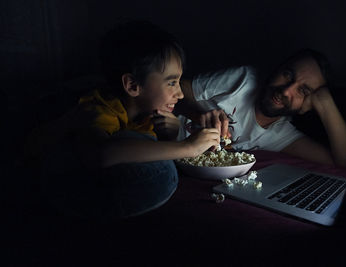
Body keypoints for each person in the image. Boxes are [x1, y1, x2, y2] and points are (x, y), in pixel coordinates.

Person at [25, 20, 220, 219]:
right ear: (132, 85)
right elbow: (101, 154)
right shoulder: (99, 110)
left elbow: (144, 151)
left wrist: (171, 135)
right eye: (171, 82)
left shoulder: (147, 114)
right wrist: (188, 147)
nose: (179, 94)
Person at [176, 49, 346, 168]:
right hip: (163, 139)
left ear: (307, 105)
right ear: (277, 69)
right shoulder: (243, 79)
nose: (286, 91)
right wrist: (200, 114)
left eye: (303, 91)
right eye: (288, 75)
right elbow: (180, 87)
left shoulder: (281, 135)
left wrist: (326, 104)